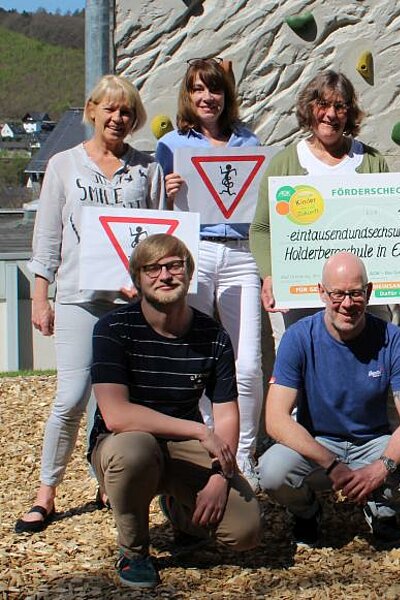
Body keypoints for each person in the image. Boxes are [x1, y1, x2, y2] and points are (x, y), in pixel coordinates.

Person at [16, 75, 163, 534]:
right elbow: (47, 238)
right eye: (110, 109)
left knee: (115, 401)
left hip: (129, 303)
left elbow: (159, 236)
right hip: (79, 298)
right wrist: (40, 297)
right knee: (71, 397)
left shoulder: (148, 169)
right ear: (92, 110)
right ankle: (46, 492)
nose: (118, 118)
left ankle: (107, 481)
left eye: (127, 112)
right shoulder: (63, 165)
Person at [89, 234, 260, 588]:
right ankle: (133, 552)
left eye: (173, 266)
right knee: (135, 451)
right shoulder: (113, 328)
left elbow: (227, 413)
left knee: (245, 530)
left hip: (182, 447)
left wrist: (220, 476)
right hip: (124, 443)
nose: (164, 275)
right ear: (137, 278)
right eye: (152, 269)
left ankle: (179, 510)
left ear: (189, 272)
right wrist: (199, 431)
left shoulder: (213, 335)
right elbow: (117, 415)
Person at [258, 252, 400, 546]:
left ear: (369, 292)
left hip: (373, 441)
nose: (347, 303)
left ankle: (380, 508)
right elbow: (276, 419)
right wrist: (332, 465)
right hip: (318, 443)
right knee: (271, 472)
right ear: (321, 292)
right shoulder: (298, 337)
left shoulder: (392, 338)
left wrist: (381, 468)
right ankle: (307, 511)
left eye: (356, 293)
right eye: (338, 294)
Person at [155, 57, 263, 489]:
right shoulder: (171, 145)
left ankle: (245, 453)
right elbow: (157, 215)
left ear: (226, 94)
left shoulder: (248, 140)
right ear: (188, 94)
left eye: (214, 89)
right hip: (194, 250)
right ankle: (207, 445)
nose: (207, 97)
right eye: (198, 89)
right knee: (195, 355)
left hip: (241, 253)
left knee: (248, 363)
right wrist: (168, 196)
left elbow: (258, 204)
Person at [249, 70, 390, 333]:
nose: (331, 114)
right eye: (323, 104)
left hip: (361, 301)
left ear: (349, 112)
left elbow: (390, 227)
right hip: (300, 297)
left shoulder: (372, 161)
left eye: (340, 106)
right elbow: (261, 229)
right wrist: (269, 274)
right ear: (309, 108)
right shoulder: (285, 163)